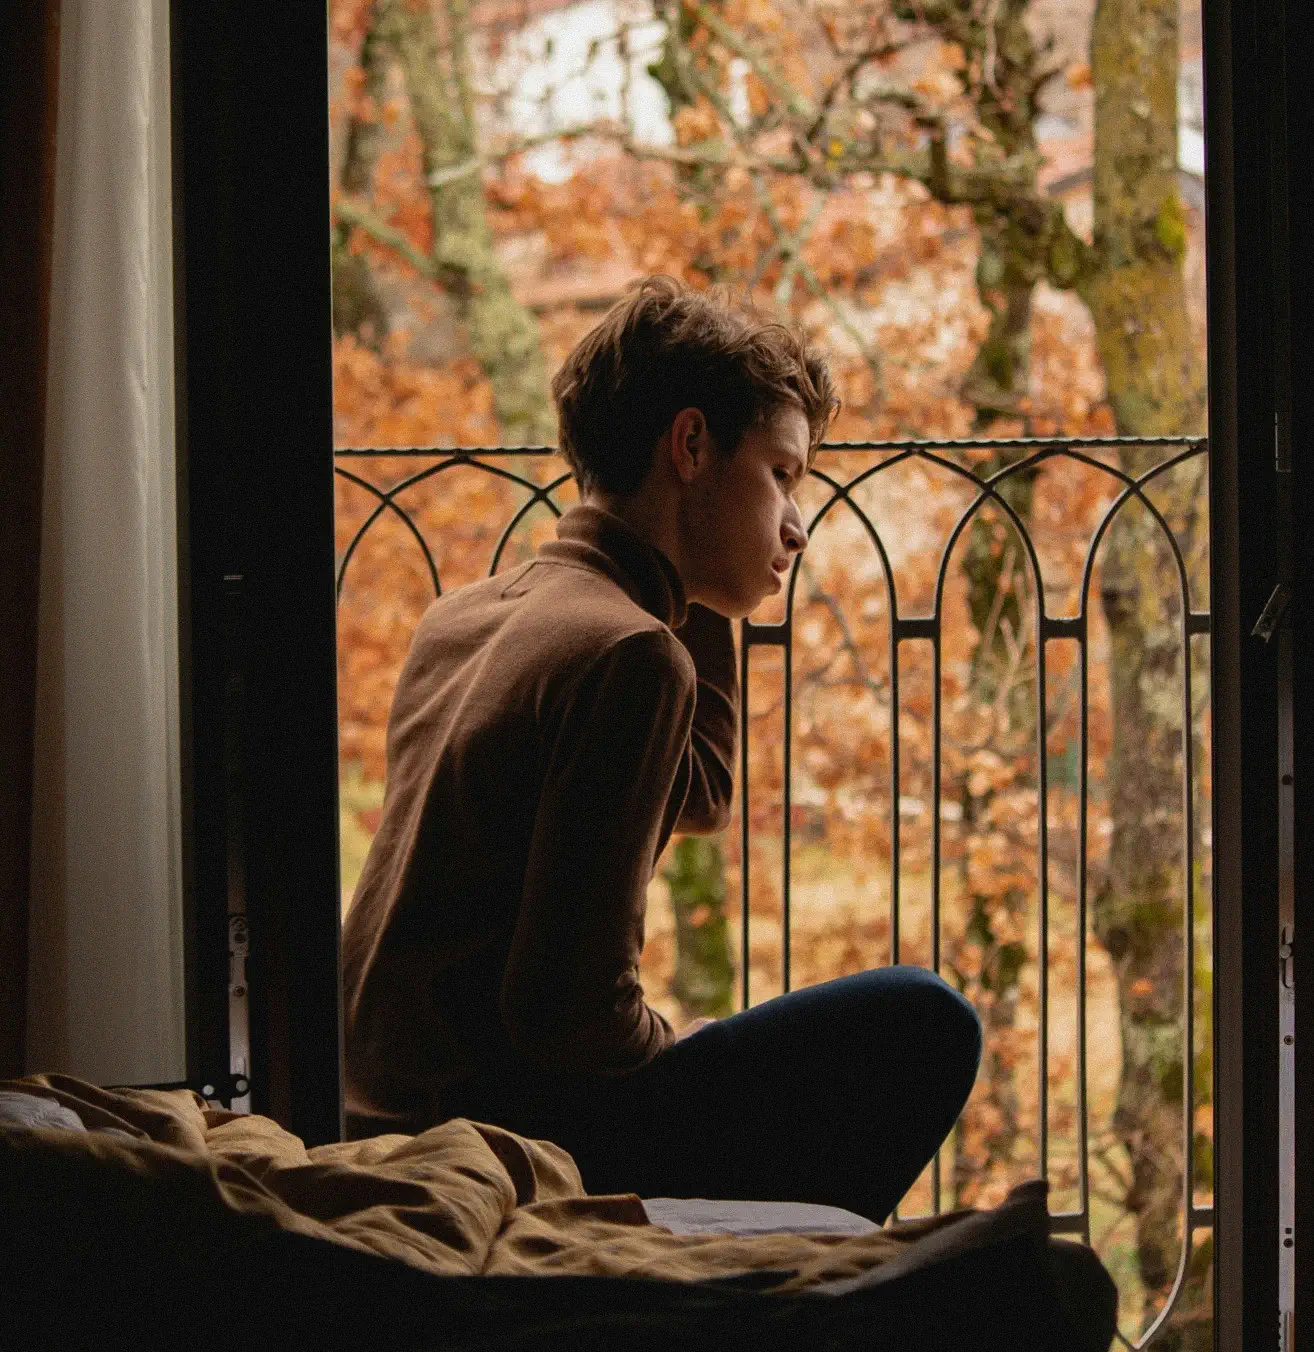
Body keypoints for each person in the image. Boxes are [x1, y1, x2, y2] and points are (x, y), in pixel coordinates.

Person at [341, 275, 981, 1222]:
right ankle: (756, 1300)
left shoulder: (469, 616)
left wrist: (697, 582)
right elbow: (564, 1015)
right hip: (506, 1132)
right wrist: (675, 1049)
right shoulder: (629, 654)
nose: (797, 529)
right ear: (690, 445)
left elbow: (705, 791)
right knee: (925, 1020)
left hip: (380, 1115)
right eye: (782, 476)